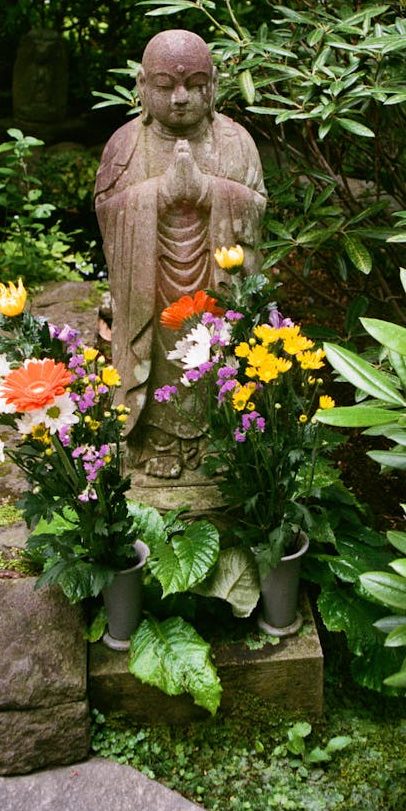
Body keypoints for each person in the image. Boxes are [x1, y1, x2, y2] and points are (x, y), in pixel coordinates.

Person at [95, 29, 266, 478]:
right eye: (165, 85)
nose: (181, 97)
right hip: (147, 285)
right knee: (154, 353)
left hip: (216, 279)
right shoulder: (124, 144)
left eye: (193, 83)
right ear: (141, 86)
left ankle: (219, 435)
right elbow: (107, 211)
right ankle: (154, 440)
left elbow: (257, 208)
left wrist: (209, 191)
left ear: (213, 86)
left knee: (217, 346)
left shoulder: (236, 142)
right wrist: (159, 193)